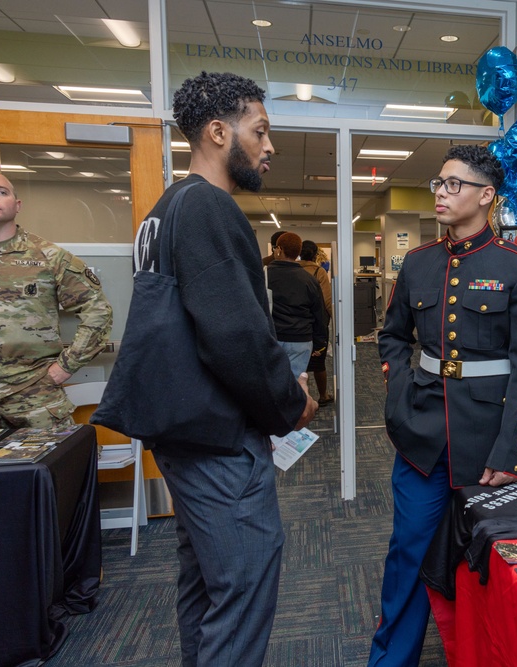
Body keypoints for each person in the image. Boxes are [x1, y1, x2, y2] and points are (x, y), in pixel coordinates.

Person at [128, 71, 317, 667]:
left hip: (180, 430)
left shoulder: (164, 209)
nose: (269, 147)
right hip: (216, 439)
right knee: (242, 584)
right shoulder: (210, 208)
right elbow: (234, 336)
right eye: (259, 131)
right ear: (217, 132)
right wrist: (292, 405)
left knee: (205, 583)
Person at [370, 144, 517, 666]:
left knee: (485, 564)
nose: (442, 193)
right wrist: (399, 395)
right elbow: (391, 336)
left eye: (455, 184)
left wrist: (512, 451)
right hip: (422, 435)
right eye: (439, 184)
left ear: (487, 196)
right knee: (407, 554)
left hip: (488, 440)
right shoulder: (419, 263)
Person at [0, 168, 112, 429]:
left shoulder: (48, 256)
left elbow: (98, 311)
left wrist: (64, 368)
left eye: (2, 192)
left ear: (17, 204)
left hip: (35, 397)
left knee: (50, 468)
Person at [267, 232, 325, 379]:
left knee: (272, 383)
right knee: (296, 385)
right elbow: (319, 313)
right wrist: (319, 343)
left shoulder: (265, 275)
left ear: (278, 249)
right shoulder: (309, 279)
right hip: (301, 339)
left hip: (273, 337)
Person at [300, 239, 334, 405]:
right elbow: (327, 300)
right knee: (319, 363)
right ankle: (323, 395)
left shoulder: (292, 269)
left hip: (296, 323)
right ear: (314, 255)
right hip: (316, 323)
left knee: (298, 362)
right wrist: (336, 319)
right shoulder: (318, 272)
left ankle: (300, 396)